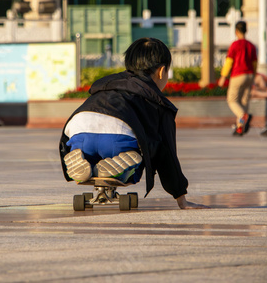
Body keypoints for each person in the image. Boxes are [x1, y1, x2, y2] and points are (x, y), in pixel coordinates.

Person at [59, 37, 210, 210]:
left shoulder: (108, 83)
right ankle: (120, 171)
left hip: (78, 129)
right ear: (161, 71)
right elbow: (166, 152)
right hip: (117, 136)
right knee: (138, 155)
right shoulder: (156, 101)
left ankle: (88, 164)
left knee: (91, 155)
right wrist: (181, 198)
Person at [218, 21, 257, 136]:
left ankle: (243, 117)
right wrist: (253, 76)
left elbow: (229, 62)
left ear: (236, 31)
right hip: (249, 75)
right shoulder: (251, 45)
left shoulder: (235, 45)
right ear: (246, 30)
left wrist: (223, 77)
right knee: (243, 102)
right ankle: (240, 127)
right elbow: (255, 63)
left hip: (238, 75)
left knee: (232, 100)